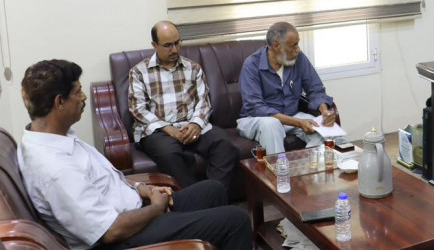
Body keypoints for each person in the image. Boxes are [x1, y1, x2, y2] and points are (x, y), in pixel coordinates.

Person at [18, 59, 251, 250]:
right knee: (236, 220)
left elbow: (104, 179)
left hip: (134, 211)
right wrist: (156, 208)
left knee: (213, 189)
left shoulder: (58, 137)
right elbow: (110, 231)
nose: (84, 97)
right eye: (78, 92)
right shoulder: (55, 169)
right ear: (59, 102)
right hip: (125, 237)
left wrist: (142, 188)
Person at [129, 21, 238, 198]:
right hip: (159, 131)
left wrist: (196, 124)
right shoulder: (139, 72)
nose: (174, 50)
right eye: (168, 45)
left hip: (191, 125)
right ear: (154, 45)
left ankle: (214, 198)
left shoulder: (193, 68)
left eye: (177, 43)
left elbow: (204, 101)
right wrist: (167, 128)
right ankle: (195, 203)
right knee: (169, 154)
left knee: (224, 145)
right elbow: (138, 109)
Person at [238, 22, 336, 154]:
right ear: (276, 46)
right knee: (272, 125)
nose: (298, 49)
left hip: (292, 115)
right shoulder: (251, 65)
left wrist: (324, 112)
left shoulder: (299, 58)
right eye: (293, 45)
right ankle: (279, 167)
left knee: (323, 130)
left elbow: (315, 89)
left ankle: (308, 165)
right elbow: (256, 107)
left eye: (298, 44)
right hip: (256, 119)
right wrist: (298, 122)